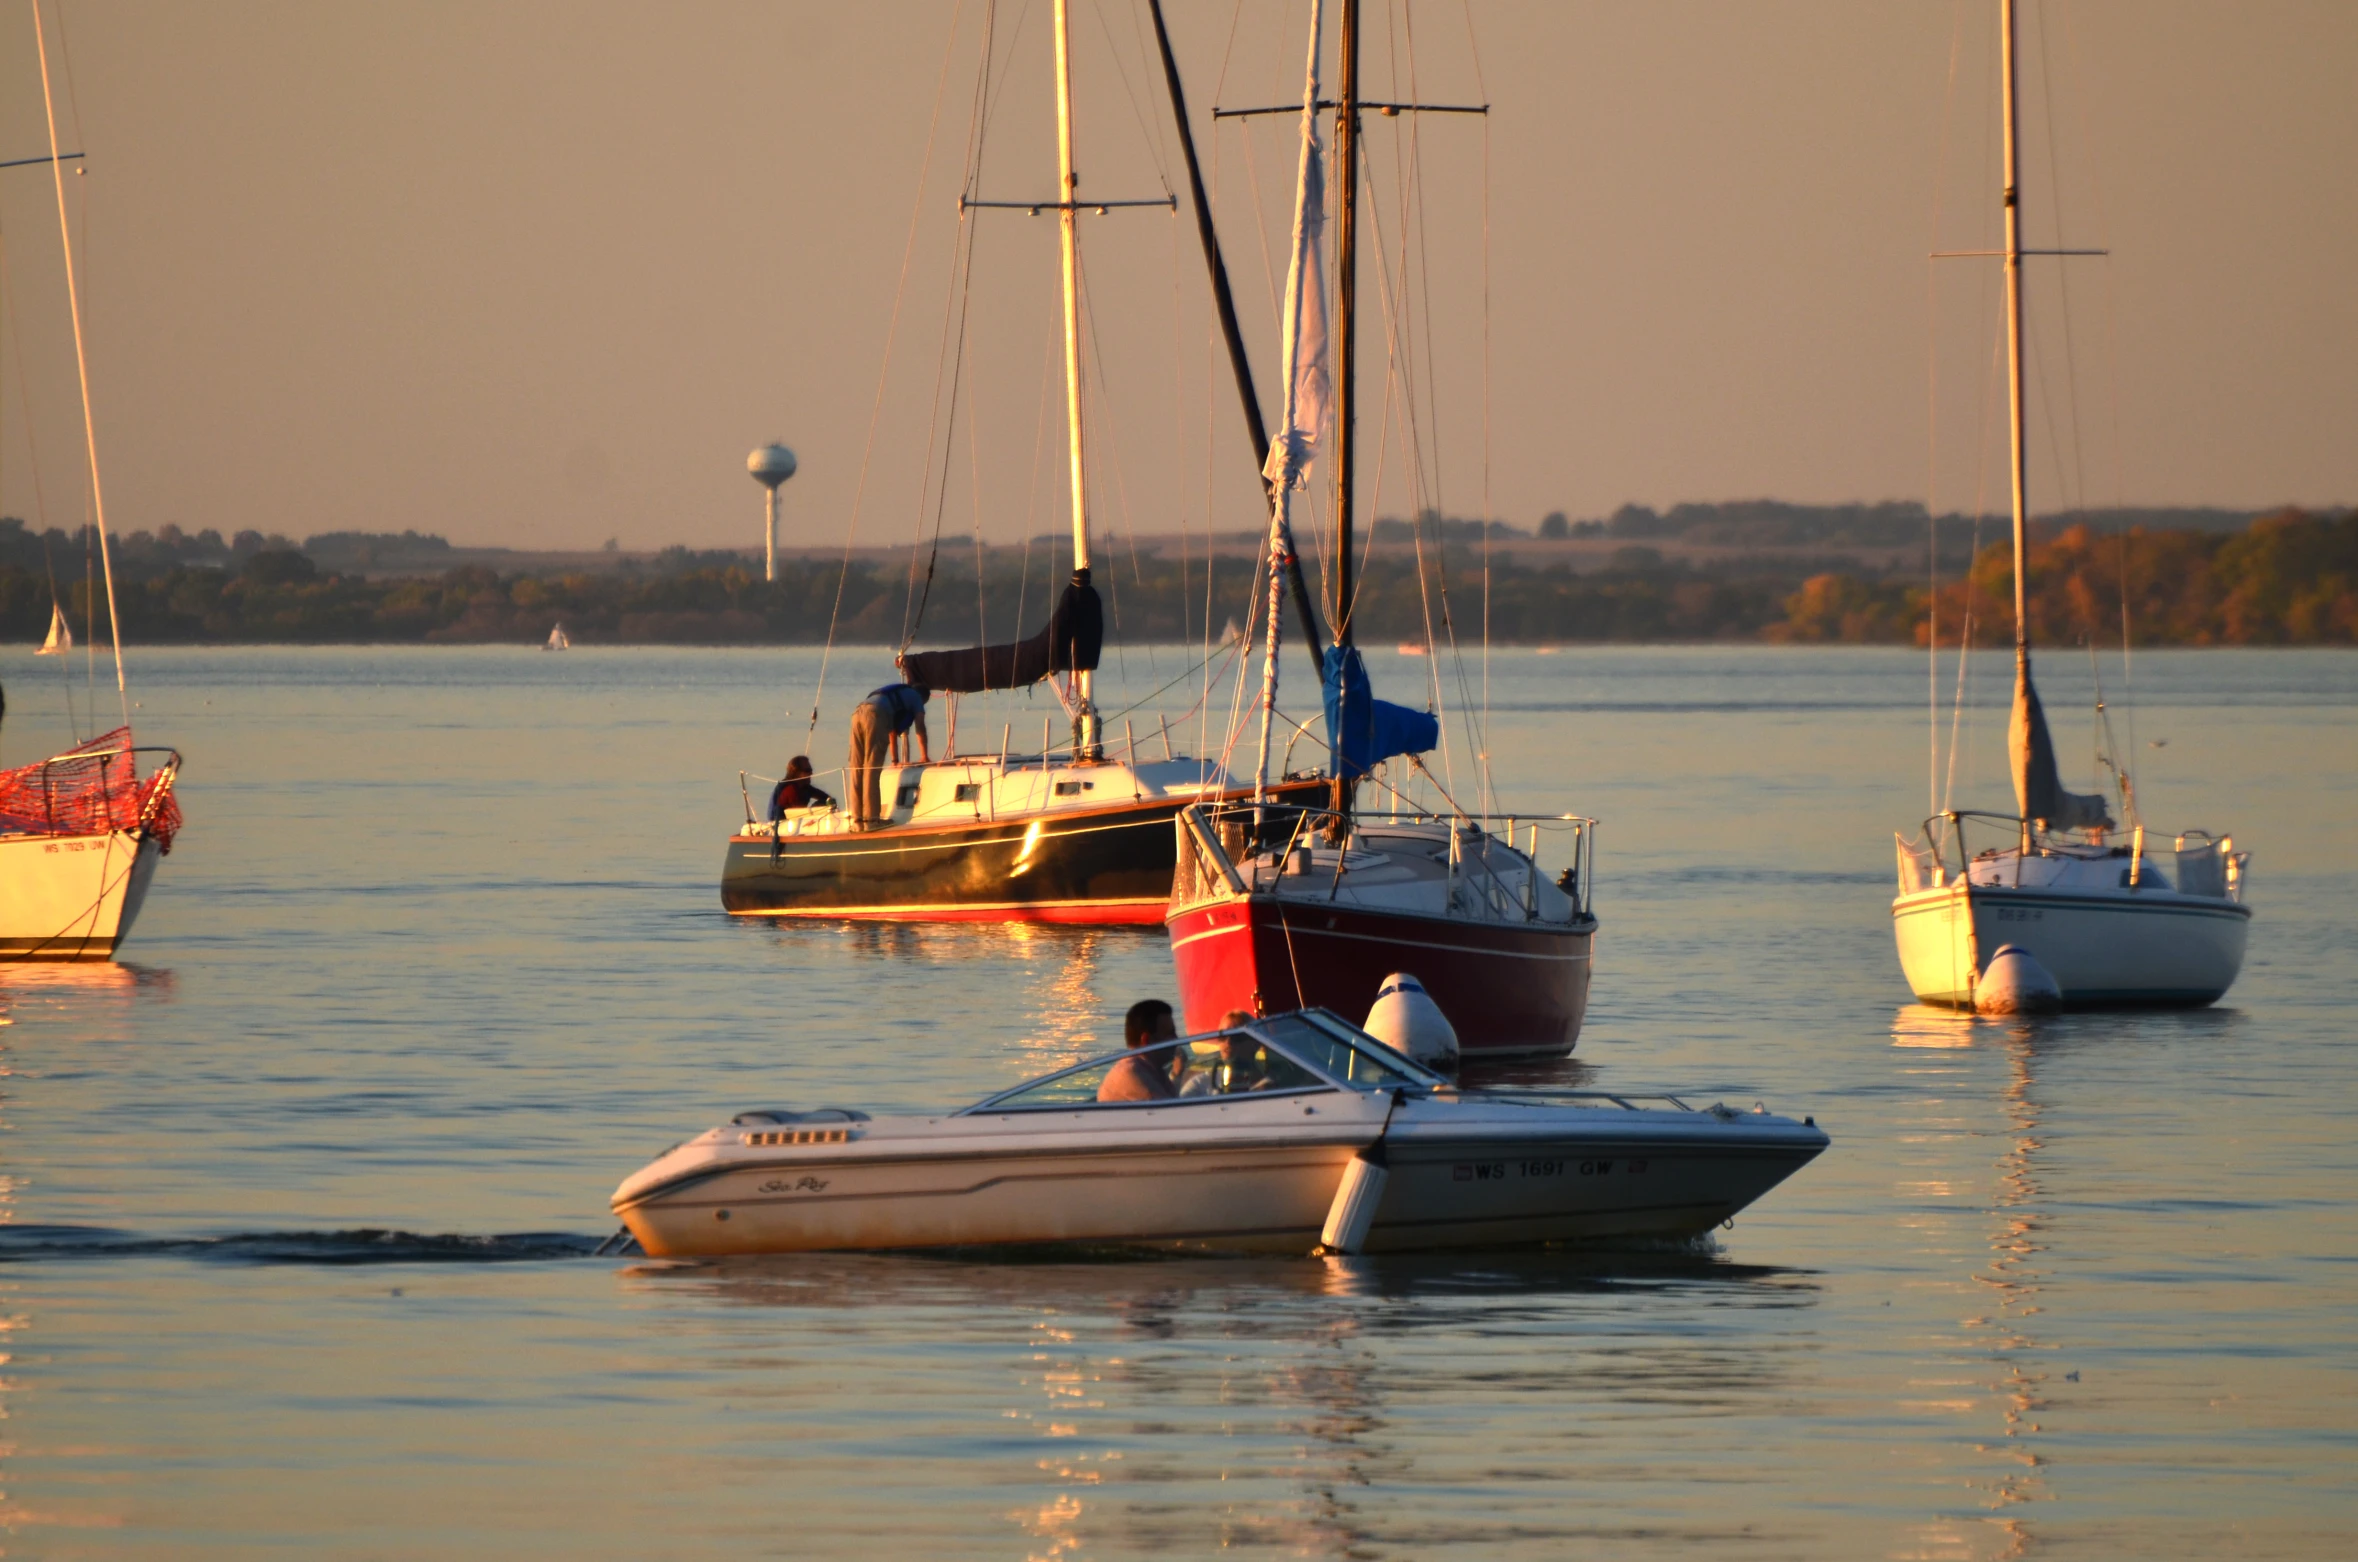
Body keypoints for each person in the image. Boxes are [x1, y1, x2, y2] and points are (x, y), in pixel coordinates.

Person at [846, 682, 931, 829]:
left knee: (856, 768)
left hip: (858, 712)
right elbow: (920, 726)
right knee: (872, 769)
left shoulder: (895, 695)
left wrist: (895, 760)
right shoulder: (917, 698)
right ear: (924, 698)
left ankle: (857, 820)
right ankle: (872, 821)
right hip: (875, 715)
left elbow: (891, 731)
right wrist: (924, 756)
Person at [1098, 998, 1180, 1103]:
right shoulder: (1131, 1072)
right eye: (1170, 1034)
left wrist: (1176, 1075)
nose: (1176, 1040)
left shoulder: (1153, 1069)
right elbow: (1169, 1112)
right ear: (1146, 1040)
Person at [767, 756, 834, 822]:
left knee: (825, 802)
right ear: (796, 772)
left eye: (811, 770)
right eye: (807, 770)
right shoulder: (789, 789)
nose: (811, 773)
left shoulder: (805, 787)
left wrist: (819, 807)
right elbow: (797, 812)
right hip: (781, 824)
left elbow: (828, 799)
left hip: (796, 821)